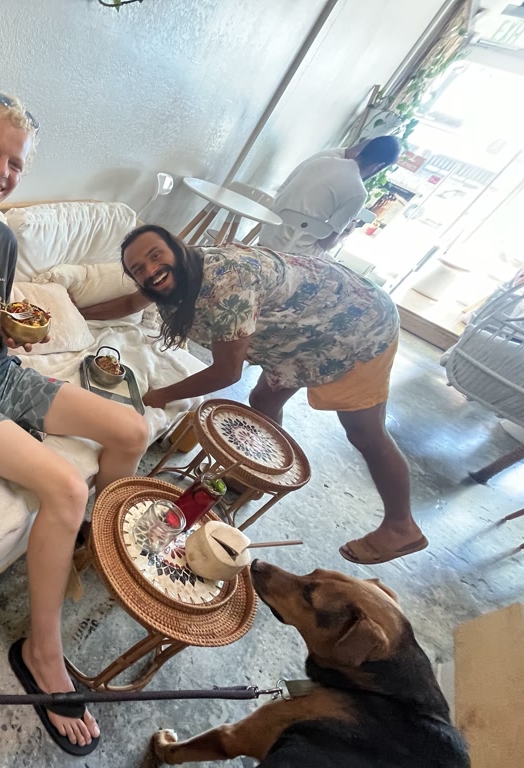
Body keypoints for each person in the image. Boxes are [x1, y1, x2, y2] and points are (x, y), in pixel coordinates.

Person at [0, 93, 149, 755]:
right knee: (65, 487)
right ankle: (42, 654)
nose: (3, 170)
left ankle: (84, 545)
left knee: (133, 431)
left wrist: (9, 339)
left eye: (16, 162)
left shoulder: (5, 239)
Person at [80, 225, 428, 566]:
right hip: (304, 326)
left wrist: (163, 395)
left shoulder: (227, 282)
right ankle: (254, 480)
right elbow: (129, 301)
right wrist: (77, 314)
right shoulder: (174, 275)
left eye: (156, 256)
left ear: (177, 248)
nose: (151, 270)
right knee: (264, 401)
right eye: (139, 268)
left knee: (365, 433)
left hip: (356, 324)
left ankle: (401, 526)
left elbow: (226, 372)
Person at [257, 135, 401, 256]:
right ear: (379, 166)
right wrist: (346, 232)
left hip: (267, 234)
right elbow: (325, 244)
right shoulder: (358, 193)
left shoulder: (322, 161)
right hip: (292, 252)